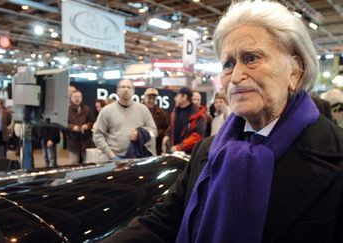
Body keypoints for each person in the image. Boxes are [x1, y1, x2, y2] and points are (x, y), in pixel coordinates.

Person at [103, 1, 343, 242]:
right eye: (228, 64)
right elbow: (162, 222)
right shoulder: (207, 151)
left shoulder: (335, 154)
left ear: (295, 70)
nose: (236, 76)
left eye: (251, 58)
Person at [93, 79, 157, 159]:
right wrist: (110, 154)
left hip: (137, 157)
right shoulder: (106, 110)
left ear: (133, 91)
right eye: (123, 87)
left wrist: (141, 134)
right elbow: (97, 135)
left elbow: (154, 132)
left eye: (129, 87)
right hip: (114, 158)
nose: (126, 89)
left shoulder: (143, 109)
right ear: (117, 91)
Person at [168, 87, 208, 154]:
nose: (175, 99)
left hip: (190, 155)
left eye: (177, 96)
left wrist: (180, 147)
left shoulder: (199, 115)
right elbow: (171, 128)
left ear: (184, 97)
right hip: (175, 153)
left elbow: (197, 136)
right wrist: (167, 135)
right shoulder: (175, 112)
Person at [67, 90, 94, 164]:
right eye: (75, 97)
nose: (77, 98)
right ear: (71, 98)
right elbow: (64, 124)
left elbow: (92, 122)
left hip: (85, 141)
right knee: (74, 164)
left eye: (79, 96)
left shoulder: (87, 109)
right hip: (73, 141)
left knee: (87, 164)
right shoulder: (67, 110)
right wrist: (72, 127)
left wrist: (87, 126)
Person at [143, 88, 169, 155]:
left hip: (156, 149)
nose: (151, 100)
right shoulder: (138, 111)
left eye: (153, 99)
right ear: (144, 98)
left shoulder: (162, 114)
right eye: (149, 98)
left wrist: (158, 133)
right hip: (141, 148)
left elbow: (166, 129)